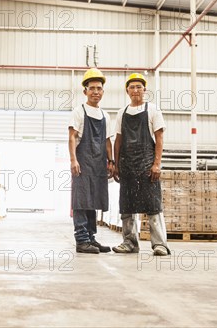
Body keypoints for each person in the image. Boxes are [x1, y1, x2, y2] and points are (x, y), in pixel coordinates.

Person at [112, 73, 170, 256]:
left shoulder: (153, 110)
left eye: (139, 86)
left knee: (153, 205)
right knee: (127, 206)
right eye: (132, 87)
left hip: (147, 165)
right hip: (127, 165)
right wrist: (116, 164)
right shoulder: (122, 113)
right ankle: (129, 242)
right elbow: (118, 141)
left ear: (145, 90)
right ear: (127, 91)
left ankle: (159, 244)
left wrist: (157, 164)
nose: (136, 90)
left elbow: (159, 139)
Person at [68, 68, 114, 254]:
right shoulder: (79, 112)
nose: (96, 91)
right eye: (92, 88)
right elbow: (72, 137)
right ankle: (81, 240)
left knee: (93, 200)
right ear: (85, 91)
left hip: (98, 164)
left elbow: (107, 141)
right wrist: (73, 160)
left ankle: (91, 238)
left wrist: (111, 161)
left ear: (103, 91)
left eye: (99, 88)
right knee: (81, 200)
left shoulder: (105, 115)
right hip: (83, 162)